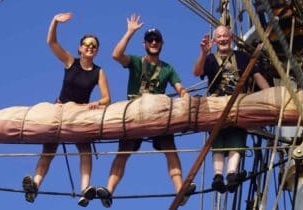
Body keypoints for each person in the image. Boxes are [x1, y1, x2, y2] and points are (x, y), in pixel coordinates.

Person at [95, 14, 194, 208]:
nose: (154, 42)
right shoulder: (136, 62)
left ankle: (180, 190)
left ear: (162, 43)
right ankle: (109, 190)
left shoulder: (168, 68)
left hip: (158, 113)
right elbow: (116, 55)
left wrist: (184, 95)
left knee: (170, 150)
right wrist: (130, 32)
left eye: (157, 39)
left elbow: (179, 87)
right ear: (145, 43)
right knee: (123, 152)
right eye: (150, 40)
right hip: (134, 112)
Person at [22, 12, 111, 207]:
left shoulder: (98, 72)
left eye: (93, 46)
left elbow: (106, 98)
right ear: (80, 48)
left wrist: (95, 104)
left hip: (80, 113)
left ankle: (85, 191)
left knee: (85, 150)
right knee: (49, 150)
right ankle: (34, 185)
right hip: (61, 109)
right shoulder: (71, 62)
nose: (89, 48)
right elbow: (52, 43)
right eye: (86, 45)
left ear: (96, 51)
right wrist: (54, 21)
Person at [193, 25, 270, 193]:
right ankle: (218, 175)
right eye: (219, 36)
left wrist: (270, 94)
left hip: (238, 104)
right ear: (214, 40)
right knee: (218, 141)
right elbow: (196, 72)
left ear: (232, 37)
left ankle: (231, 173)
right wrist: (203, 53)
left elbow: (256, 75)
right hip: (217, 104)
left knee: (237, 139)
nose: (222, 39)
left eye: (225, 35)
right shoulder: (211, 59)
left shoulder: (242, 57)